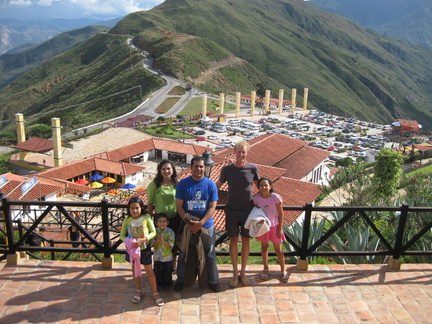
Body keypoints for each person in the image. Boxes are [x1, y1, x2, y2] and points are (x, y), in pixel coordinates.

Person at [216, 140, 259, 288]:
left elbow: (261, 186)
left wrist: (270, 201)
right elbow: (217, 186)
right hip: (232, 209)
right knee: (233, 241)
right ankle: (235, 272)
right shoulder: (227, 170)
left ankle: (243, 272)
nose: (241, 154)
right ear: (235, 153)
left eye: (243, 152)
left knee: (246, 241)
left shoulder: (253, 168)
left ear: (247, 153)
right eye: (238, 151)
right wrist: (207, 198)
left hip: (248, 210)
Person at [174, 155, 220, 292]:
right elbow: (179, 206)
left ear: (204, 168)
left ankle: (213, 280)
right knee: (184, 253)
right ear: (191, 168)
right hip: (187, 226)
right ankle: (181, 279)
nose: (198, 169)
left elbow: (212, 207)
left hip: (206, 226)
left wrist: (200, 223)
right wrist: (189, 223)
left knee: (210, 254)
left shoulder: (210, 185)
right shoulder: (183, 184)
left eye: (201, 166)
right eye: (196, 166)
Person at [120, 196, 164, 307]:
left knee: (149, 271)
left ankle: (155, 292)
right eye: (132, 208)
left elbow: (153, 232)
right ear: (128, 209)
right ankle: (138, 290)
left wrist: (143, 239)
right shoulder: (127, 220)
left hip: (145, 249)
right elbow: (122, 235)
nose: (134, 211)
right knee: (135, 271)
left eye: (137, 208)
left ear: (141, 208)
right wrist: (129, 241)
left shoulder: (146, 218)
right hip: (133, 251)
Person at [253, 177, 288, 283]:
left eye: (266, 185)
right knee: (264, 247)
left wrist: (280, 228)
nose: (263, 187)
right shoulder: (256, 198)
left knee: (278, 249)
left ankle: (283, 269)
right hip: (264, 227)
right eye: (261, 185)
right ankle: (265, 268)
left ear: (270, 186)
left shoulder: (275, 197)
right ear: (258, 187)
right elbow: (256, 211)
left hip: (275, 226)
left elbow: (281, 213)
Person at [146, 159, 180, 233]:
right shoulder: (154, 185)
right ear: (160, 171)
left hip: (174, 218)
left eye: (168, 169)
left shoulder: (177, 184)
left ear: (173, 170)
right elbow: (150, 203)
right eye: (163, 169)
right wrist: (149, 221)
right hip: (160, 220)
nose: (166, 171)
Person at [151, 213, 175, 291]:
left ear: (167, 222)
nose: (162, 223)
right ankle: (159, 284)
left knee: (167, 271)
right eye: (160, 221)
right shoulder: (154, 232)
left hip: (167, 256)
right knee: (158, 271)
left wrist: (163, 241)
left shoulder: (170, 232)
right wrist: (158, 241)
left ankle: (168, 284)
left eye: (164, 221)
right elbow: (152, 244)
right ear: (156, 223)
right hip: (157, 256)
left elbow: (171, 244)